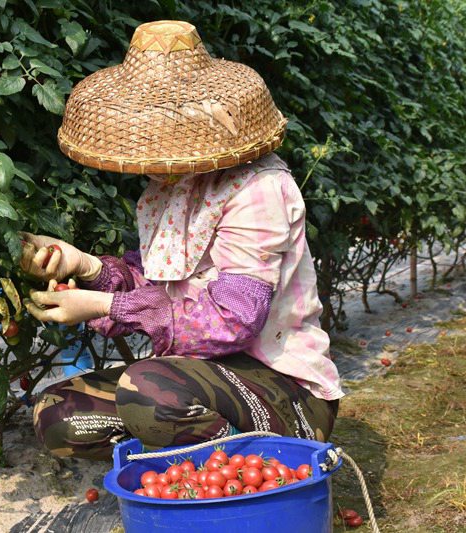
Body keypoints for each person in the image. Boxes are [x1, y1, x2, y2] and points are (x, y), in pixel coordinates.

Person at [21, 20, 343, 461]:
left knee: (149, 392)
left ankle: (263, 474)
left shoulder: (257, 189)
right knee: (59, 415)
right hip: (197, 378)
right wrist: (85, 267)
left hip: (281, 385)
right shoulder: (170, 188)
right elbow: (157, 282)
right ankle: (184, 474)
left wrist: (101, 307)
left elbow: (233, 319)